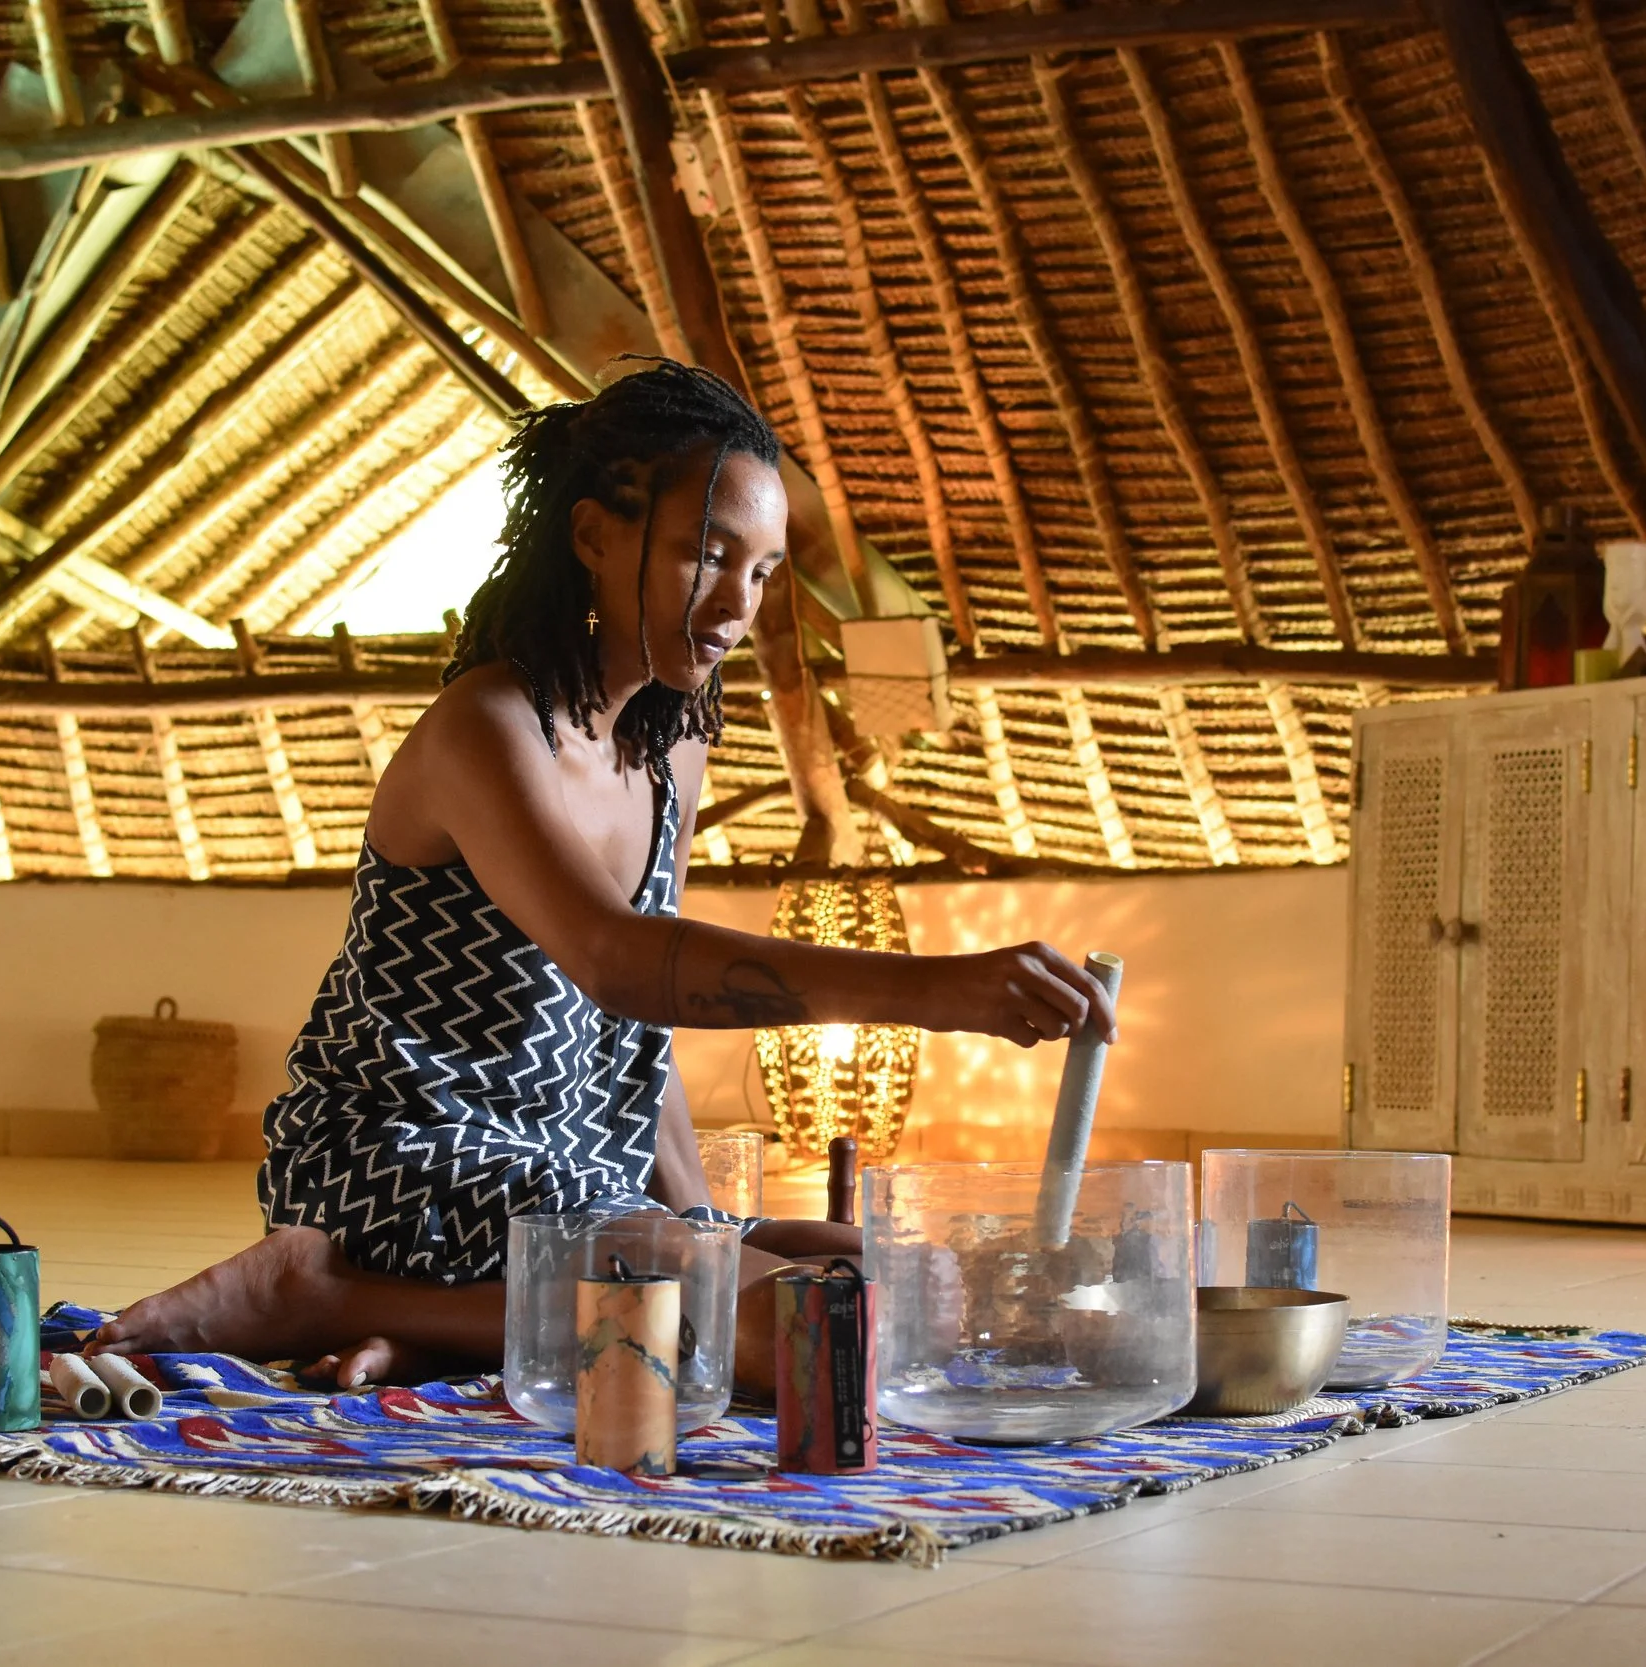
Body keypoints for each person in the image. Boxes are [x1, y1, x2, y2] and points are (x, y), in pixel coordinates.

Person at [91, 361, 1117, 1392]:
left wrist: (696, 1221)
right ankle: (320, 1291)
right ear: (591, 537)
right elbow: (621, 962)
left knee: (910, 1280)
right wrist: (931, 991)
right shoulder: (486, 729)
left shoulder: (667, 750)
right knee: (811, 1331)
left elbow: (640, 1031)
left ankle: (452, 1326)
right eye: (704, 556)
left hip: (578, 1180)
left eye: (760, 572)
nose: (735, 604)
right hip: (414, 1161)